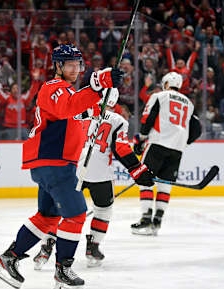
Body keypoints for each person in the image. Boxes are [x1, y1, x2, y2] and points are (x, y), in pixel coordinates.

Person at [0, 44, 123, 289]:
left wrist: (103, 89)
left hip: (53, 163)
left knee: (48, 217)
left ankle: (8, 259)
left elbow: (80, 109)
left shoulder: (70, 93)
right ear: (58, 66)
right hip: (54, 161)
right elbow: (68, 107)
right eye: (70, 64)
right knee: (76, 214)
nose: (75, 69)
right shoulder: (53, 88)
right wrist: (98, 82)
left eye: (78, 65)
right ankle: (63, 272)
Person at [31, 89, 155, 269]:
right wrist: (138, 171)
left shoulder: (77, 114)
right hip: (100, 173)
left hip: (73, 169)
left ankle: (47, 243)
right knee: (103, 210)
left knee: (61, 210)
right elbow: (121, 149)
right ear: (113, 101)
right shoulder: (118, 120)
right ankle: (93, 247)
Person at [132, 72, 201, 235]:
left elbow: (148, 117)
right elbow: (197, 129)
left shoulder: (159, 96)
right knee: (165, 184)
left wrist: (141, 138)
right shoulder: (189, 104)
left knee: (144, 180)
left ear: (166, 83)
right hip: (177, 149)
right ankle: (157, 222)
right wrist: (184, 141)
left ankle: (146, 220)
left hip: (157, 143)